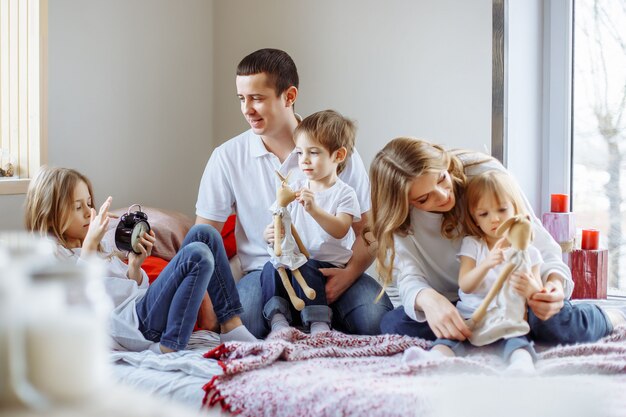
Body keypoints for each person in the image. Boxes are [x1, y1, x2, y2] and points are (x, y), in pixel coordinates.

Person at [195, 48, 392, 338]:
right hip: (265, 271)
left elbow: (369, 231)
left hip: (330, 269)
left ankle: (317, 320)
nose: (246, 109)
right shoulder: (227, 157)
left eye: (257, 99)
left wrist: (347, 276)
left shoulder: (335, 152)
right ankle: (302, 320)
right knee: (247, 323)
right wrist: (209, 304)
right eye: (242, 98)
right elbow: (204, 238)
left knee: (376, 321)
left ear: (289, 96)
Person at [369, 137, 625, 346]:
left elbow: (538, 245)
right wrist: (429, 300)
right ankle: (493, 332)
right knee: (393, 324)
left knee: (554, 323)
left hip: (516, 296)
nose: (443, 195)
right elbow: (409, 279)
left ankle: (608, 317)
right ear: (405, 204)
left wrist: (554, 287)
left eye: (441, 178)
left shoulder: (484, 176)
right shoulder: (400, 222)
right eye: (424, 199)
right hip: (464, 304)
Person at [25, 167, 256, 354]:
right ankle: (171, 343)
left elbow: (130, 289)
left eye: (89, 203)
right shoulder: (50, 255)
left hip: (144, 308)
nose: (88, 212)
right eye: (78, 207)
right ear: (50, 213)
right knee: (197, 255)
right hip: (133, 326)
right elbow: (77, 305)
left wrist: (134, 267)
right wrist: (87, 250)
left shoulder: (100, 246)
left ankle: (231, 325)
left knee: (205, 234)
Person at [409, 171, 543, 374]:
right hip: (471, 316)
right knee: (449, 338)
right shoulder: (473, 244)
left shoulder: (529, 252)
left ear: (516, 208)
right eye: (484, 214)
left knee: (518, 340)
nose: (495, 219)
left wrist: (532, 289)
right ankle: (434, 360)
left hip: (506, 317)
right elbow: (466, 284)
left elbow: (538, 292)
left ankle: (521, 365)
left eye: (502, 210)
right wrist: (486, 264)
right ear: (475, 218)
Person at [260, 110, 361, 336]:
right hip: (296, 260)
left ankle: (318, 323)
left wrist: (314, 210)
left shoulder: (345, 194)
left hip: (327, 266)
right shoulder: (296, 186)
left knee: (306, 266)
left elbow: (341, 229)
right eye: (300, 152)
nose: (303, 160)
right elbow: (281, 219)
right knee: (271, 267)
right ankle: (278, 321)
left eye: (313, 153)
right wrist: (270, 233)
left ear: (338, 155)